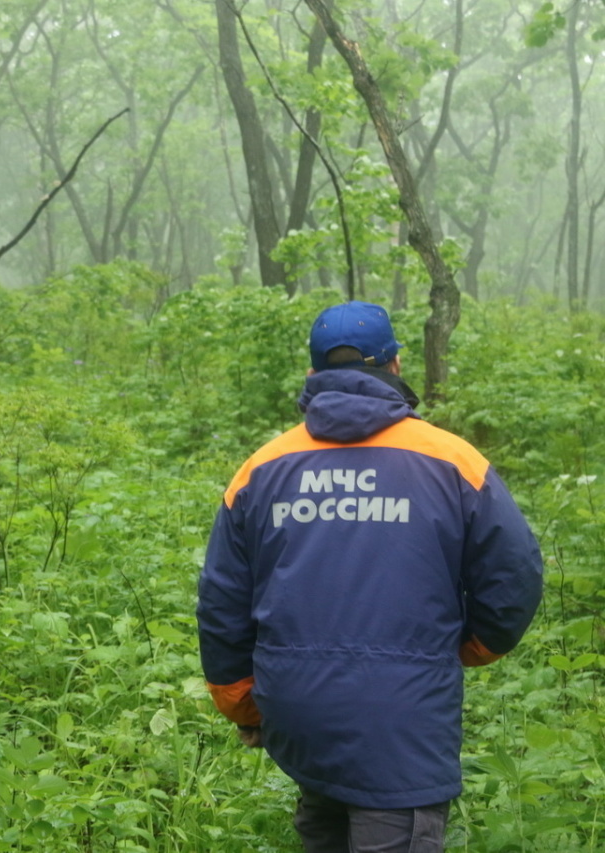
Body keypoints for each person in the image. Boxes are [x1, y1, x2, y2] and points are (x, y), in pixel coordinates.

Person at [196, 301, 542, 852]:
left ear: (313, 375)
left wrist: (242, 702)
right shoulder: (453, 461)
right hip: (402, 724)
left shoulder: (262, 468)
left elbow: (222, 599)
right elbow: (516, 574)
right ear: (397, 367)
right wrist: (473, 647)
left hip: (299, 713)